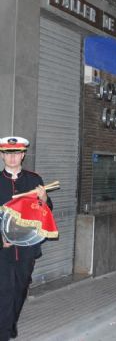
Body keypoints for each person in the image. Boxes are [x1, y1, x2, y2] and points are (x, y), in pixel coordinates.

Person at [0, 136, 51, 341]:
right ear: (2, 155)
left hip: (28, 248)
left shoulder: (34, 180)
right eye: (8, 154)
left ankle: (10, 324)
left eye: (16, 154)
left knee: (20, 288)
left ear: (23, 155)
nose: (12, 158)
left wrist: (45, 200)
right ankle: (3, 332)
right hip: (3, 249)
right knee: (5, 291)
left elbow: (46, 213)